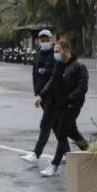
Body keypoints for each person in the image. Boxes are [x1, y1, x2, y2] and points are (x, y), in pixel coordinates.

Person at [34, 38, 90, 178]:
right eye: (54, 51)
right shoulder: (59, 65)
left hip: (72, 105)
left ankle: (54, 165)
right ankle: (89, 149)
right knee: (71, 131)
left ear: (66, 50)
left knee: (62, 132)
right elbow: (52, 82)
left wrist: (69, 99)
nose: (55, 54)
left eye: (57, 51)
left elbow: (82, 88)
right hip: (59, 103)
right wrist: (41, 95)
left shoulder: (79, 67)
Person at [21, 29, 62, 167]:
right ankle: (67, 152)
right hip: (42, 96)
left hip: (53, 95)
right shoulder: (37, 55)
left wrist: (42, 94)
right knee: (56, 125)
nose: (44, 42)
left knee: (45, 124)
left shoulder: (56, 55)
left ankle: (36, 153)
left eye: (47, 40)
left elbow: (55, 78)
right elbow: (35, 75)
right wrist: (36, 92)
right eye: (42, 40)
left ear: (52, 40)